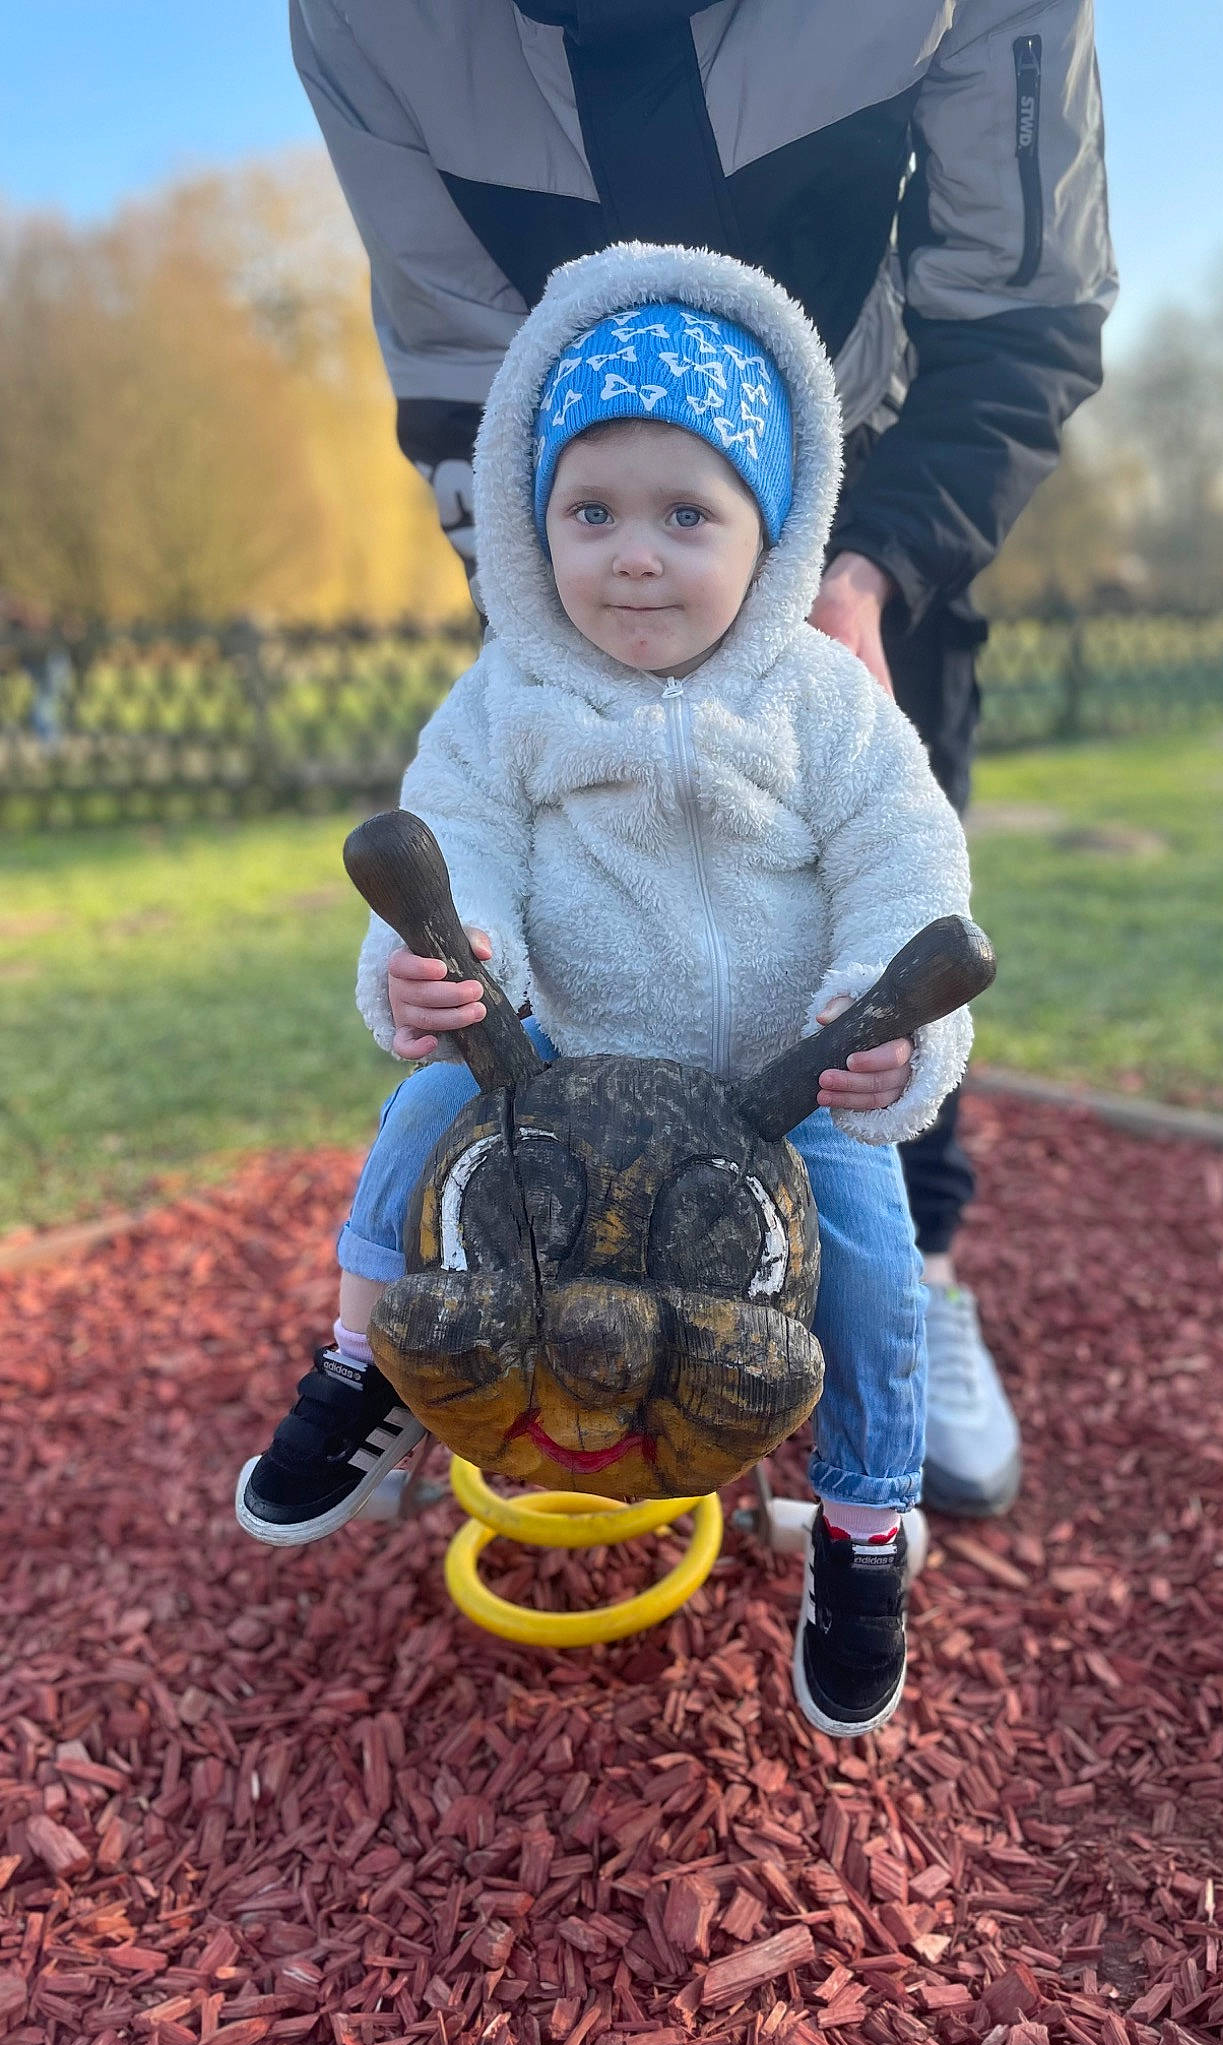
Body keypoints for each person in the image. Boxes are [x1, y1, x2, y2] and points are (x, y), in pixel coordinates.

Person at [290, 0, 1117, 1518]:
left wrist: (867, 572)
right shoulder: (371, 23)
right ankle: (488, 1301)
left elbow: (1021, 306)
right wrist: (549, 619)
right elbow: (462, 368)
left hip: (844, 484)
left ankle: (897, 1279)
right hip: (571, 463)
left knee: (869, 893)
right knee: (546, 922)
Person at [237, 243, 977, 1738]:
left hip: (783, 1070)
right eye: (592, 512)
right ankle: (363, 1364)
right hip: (556, 1051)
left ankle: (864, 1523)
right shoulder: (510, 693)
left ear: (772, 531)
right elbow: (459, 842)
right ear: (532, 525)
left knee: (881, 1261)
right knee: (415, 1120)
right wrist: (448, 965)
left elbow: (910, 865)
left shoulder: (822, 701)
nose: (634, 556)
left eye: (686, 515)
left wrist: (889, 1024)